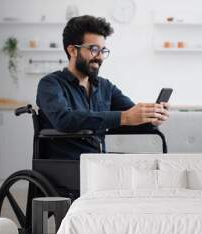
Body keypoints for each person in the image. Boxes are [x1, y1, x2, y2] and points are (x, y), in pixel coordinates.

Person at [36, 15, 170, 160]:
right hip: (68, 166)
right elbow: (64, 120)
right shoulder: (50, 84)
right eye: (94, 49)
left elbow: (131, 116)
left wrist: (151, 119)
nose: (99, 57)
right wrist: (124, 117)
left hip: (100, 163)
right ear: (73, 51)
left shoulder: (106, 87)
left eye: (103, 51)